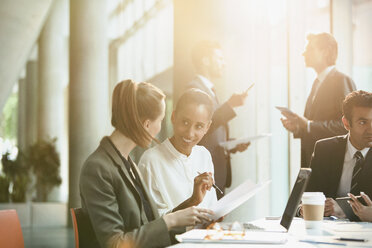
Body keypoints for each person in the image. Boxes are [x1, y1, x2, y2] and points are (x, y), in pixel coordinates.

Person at [79, 80, 213, 248]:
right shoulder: (98, 168)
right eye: (161, 120)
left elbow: (150, 228)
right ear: (147, 124)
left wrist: (191, 204)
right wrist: (171, 220)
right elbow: (114, 244)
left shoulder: (129, 165)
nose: (160, 128)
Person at [280, 33, 356, 168]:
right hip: (313, 162)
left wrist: (309, 125)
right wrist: (299, 128)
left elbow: (347, 126)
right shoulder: (317, 83)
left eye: (310, 49)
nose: (304, 54)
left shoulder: (341, 81)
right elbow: (316, 125)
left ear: (325, 52)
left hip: (330, 165)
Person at [139, 89, 217, 216]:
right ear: (173, 117)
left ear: (207, 127)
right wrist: (193, 201)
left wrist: (215, 216)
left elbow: (212, 207)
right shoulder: (150, 160)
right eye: (185, 122)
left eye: (199, 126)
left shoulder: (204, 155)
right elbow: (151, 223)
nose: (190, 133)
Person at [187, 40, 250, 198]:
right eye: (220, 58)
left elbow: (210, 134)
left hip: (215, 172)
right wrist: (230, 105)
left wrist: (232, 144)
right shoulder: (194, 88)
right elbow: (200, 125)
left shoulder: (209, 89)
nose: (224, 63)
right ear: (205, 60)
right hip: (205, 173)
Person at [305, 90, 372, 218]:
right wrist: (306, 209)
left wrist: (345, 211)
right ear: (346, 123)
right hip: (329, 232)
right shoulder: (325, 149)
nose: (371, 129)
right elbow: (306, 198)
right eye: (363, 122)